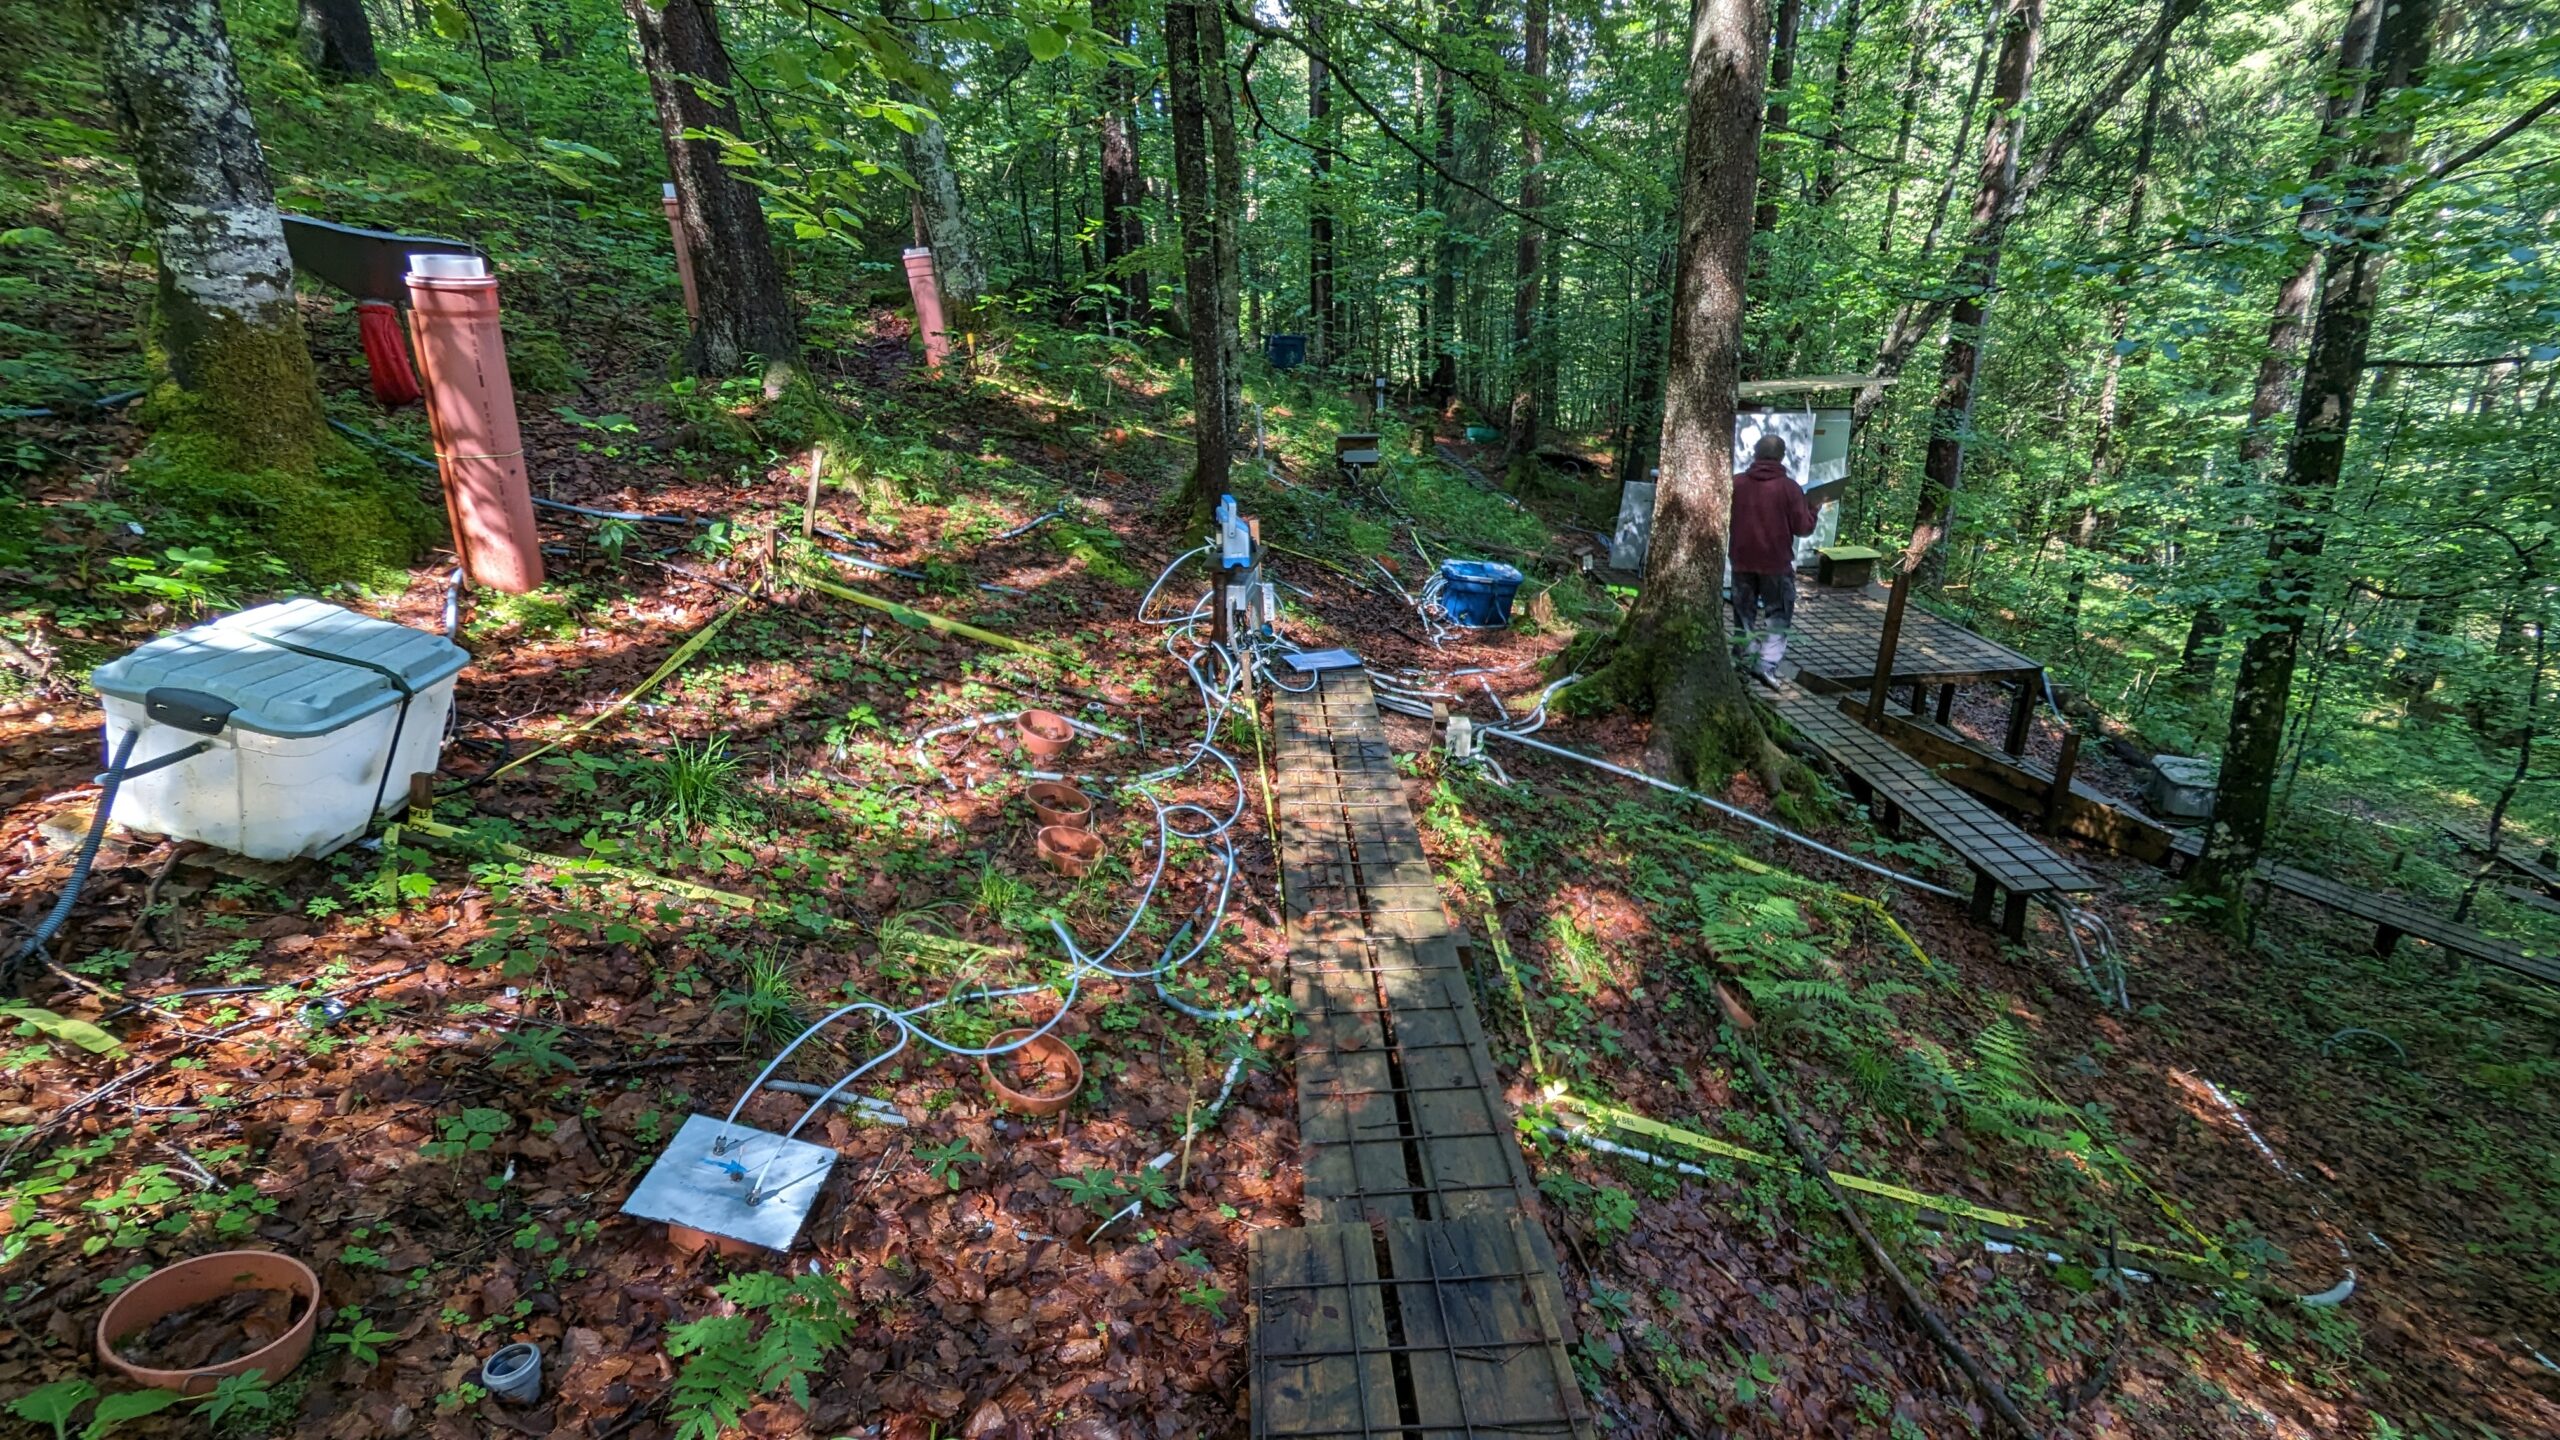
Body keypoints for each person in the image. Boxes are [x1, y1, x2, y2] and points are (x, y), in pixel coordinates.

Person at [1730, 432, 1816, 689]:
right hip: (1776, 564)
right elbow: (1803, 528)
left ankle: (1744, 660)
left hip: (1741, 559)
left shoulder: (1736, 483)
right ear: (1781, 457)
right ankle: (1766, 666)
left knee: (1743, 614)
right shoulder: (1790, 489)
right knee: (1778, 615)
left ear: (1755, 454)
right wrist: (1813, 509)